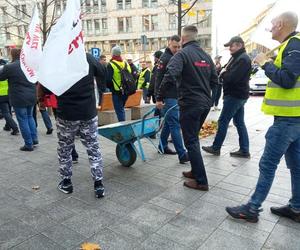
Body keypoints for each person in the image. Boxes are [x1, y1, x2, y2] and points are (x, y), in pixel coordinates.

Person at [226, 12, 300, 223]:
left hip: (287, 120)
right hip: (294, 118)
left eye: (272, 24)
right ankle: (296, 208)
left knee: (267, 165)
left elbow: (286, 79)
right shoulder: (292, 45)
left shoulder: (294, 45)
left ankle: (252, 208)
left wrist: (265, 63)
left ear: (282, 24)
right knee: (296, 165)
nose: (270, 28)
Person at [157, 25, 218, 190]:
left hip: (190, 103)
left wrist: (160, 97)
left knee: (190, 140)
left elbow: (170, 75)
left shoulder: (182, 54)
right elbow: (215, 82)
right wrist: (210, 99)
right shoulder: (206, 56)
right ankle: (194, 170)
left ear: (183, 39)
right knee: (193, 138)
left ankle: (201, 181)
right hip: (204, 103)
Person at [54, 53, 106, 198]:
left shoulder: (59, 58)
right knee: (93, 148)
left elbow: (47, 85)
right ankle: (98, 185)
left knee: (65, 148)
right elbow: (103, 72)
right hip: (88, 112)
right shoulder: (87, 57)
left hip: (67, 113)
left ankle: (66, 183)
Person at [202, 36, 252, 158]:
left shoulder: (242, 59)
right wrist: (223, 72)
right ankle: (244, 150)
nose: (230, 48)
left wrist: (224, 74)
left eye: (232, 45)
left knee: (223, 121)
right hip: (237, 95)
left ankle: (216, 147)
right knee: (239, 122)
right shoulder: (236, 58)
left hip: (235, 95)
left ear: (240, 45)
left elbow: (232, 78)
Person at [156, 35, 189, 164]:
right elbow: (158, 78)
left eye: (179, 46)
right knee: (175, 123)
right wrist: (159, 98)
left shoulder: (176, 57)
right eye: (174, 46)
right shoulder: (165, 58)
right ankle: (182, 154)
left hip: (175, 95)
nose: (177, 49)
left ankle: (162, 146)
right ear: (169, 44)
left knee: (170, 123)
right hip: (168, 96)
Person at [0, 48, 38, 151]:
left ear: (12, 55)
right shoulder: (29, 66)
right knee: (30, 117)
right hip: (31, 96)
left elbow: (1, 77)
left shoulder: (9, 67)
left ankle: (28, 144)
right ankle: (34, 139)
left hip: (19, 98)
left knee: (23, 119)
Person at [107, 46, 132, 121]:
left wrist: (111, 88)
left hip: (117, 91)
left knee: (119, 110)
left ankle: (122, 127)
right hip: (126, 90)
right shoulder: (125, 63)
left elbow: (108, 80)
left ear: (112, 54)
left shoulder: (111, 64)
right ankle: (123, 124)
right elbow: (130, 74)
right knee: (121, 109)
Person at [0, 59, 19, 135]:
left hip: (2, 95)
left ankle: (15, 127)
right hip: (9, 94)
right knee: (8, 111)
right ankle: (8, 126)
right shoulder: (8, 70)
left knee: (5, 112)